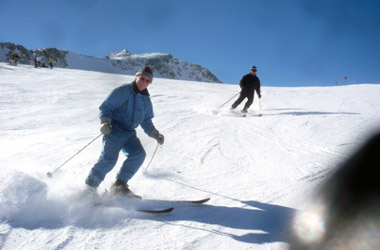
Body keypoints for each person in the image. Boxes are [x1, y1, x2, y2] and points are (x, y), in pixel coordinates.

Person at [85, 66, 164, 198]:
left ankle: (119, 186)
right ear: (136, 77)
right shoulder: (123, 91)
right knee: (108, 159)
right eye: (142, 78)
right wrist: (105, 122)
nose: (143, 82)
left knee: (138, 155)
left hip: (129, 133)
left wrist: (155, 134)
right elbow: (106, 107)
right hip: (114, 130)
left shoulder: (146, 100)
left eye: (147, 81)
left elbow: (146, 121)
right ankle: (89, 189)